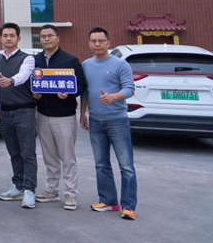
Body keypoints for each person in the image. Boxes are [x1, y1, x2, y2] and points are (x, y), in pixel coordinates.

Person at [81, 27, 137, 220]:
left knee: (126, 165)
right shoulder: (86, 65)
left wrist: (114, 96)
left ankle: (128, 206)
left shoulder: (120, 64)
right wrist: (82, 113)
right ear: (89, 43)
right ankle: (108, 201)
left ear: (108, 43)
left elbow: (130, 88)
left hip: (117, 121)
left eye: (101, 41)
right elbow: (85, 91)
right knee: (101, 164)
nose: (97, 44)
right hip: (95, 121)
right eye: (93, 41)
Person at [32, 24, 88, 211]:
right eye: (43, 36)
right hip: (42, 114)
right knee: (49, 156)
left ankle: (71, 194)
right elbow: (31, 84)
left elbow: (81, 85)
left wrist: (69, 93)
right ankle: (51, 190)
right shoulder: (35, 60)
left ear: (58, 38)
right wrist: (34, 94)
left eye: (50, 35)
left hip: (64, 115)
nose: (46, 39)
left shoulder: (70, 60)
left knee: (67, 156)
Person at [0, 22, 38, 209]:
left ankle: (29, 190)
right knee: (14, 153)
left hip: (24, 111)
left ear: (18, 38)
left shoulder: (28, 58)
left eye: (12, 35)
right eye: (5, 35)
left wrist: (11, 81)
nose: (8, 38)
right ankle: (18, 185)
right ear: (1, 38)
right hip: (5, 113)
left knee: (27, 152)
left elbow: (24, 75)